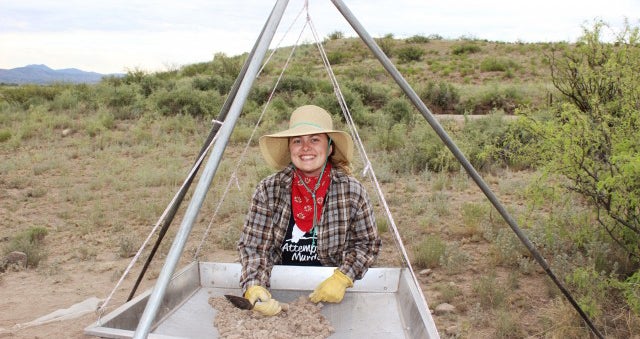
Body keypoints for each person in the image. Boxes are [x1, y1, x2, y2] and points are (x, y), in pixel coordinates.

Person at [237, 105, 382, 316]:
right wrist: (254, 286)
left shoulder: (351, 190)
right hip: (279, 286)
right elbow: (254, 247)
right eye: (297, 141)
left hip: (332, 291)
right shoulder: (269, 190)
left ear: (330, 147)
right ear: (290, 148)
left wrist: (343, 277)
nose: (305, 148)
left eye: (315, 139)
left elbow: (367, 244)